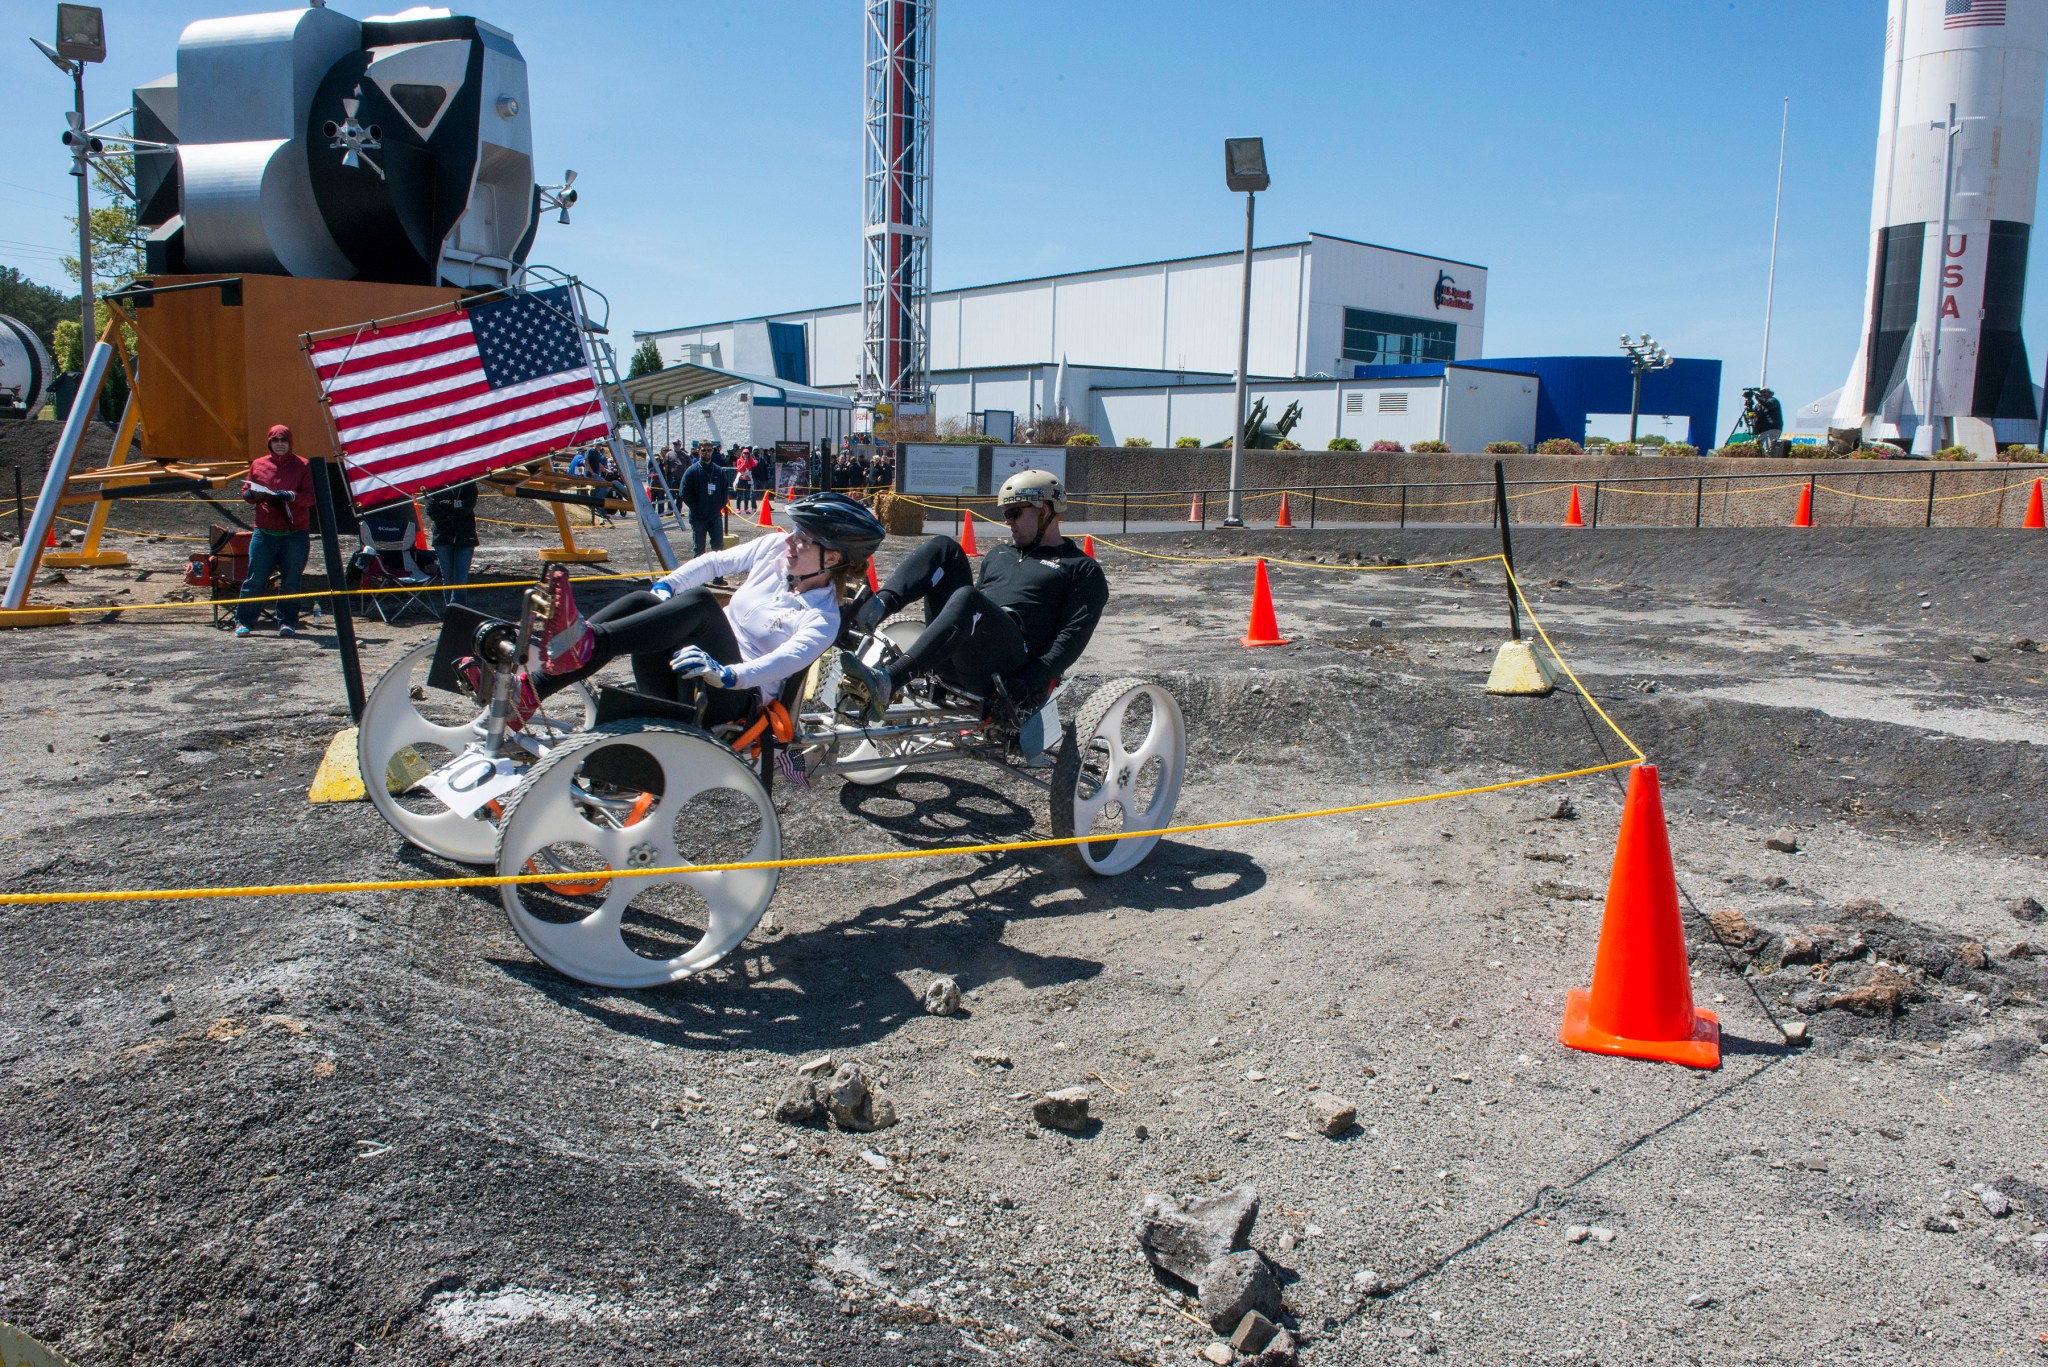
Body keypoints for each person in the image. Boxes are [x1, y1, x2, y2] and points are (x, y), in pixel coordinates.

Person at [458, 493, 887, 730]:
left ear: (833, 559)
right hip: (690, 674)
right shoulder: (778, 551)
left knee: (701, 605)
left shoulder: (823, 618)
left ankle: (582, 643)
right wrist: (665, 586)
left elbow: (781, 662)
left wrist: (727, 674)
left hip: (733, 701)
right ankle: (530, 690)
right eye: (795, 531)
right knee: (649, 602)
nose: (790, 541)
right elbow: (716, 562)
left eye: (804, 538)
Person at [838, 469, 1106, 722]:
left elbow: (1070, 640)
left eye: (1014, 513)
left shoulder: (1080, 569)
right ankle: (869, 614)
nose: (1007, 521)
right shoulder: (999, 555)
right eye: (1006, 513)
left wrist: (1028, 681)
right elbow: (964, 612)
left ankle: (888, 681)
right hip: (963, 657)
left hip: (1008, 670)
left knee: (969, 599)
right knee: (944, 548)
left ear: (1044, 511)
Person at [235, 424, 315, 638]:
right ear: (269, 442)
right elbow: (246, 491)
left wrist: (292, 496)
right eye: (275, 440)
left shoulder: (303, 465)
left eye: (284, 440)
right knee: (255, 579)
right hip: (265, 532)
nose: (280, 444)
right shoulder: (258, 464)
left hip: (295, 533)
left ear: (290, 443)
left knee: (291, 581)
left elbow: (311, 497)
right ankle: (244, 622)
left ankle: (287, 622)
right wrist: (252, 495)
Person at [425, 480, 479, 606]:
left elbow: (467, 507)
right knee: (448, 579)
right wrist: (454, 508)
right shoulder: (433, 482)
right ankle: (450, 611)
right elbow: (431, 509)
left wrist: (446, 506)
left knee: (460, 579)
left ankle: (458, 612)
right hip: (442, 538)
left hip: (465, 537)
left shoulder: (468, 483)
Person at [680, 443, 732, 556]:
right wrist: (696, 508)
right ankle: (699, 574)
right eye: (704, 450)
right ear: (699, 451)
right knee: (699, 550)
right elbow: (684, 493)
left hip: (715, 516)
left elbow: (724, 492)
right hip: (698, 517)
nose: (706, 452)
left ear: (712, 452)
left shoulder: (719, 471)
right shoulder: (692, 471)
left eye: (709, 450)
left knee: (718, 549)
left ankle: (718, 574)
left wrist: (719, 506)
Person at [1753, 388, 1786, 458]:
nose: (1762, 394)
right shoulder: (1758, 406)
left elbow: (1769, 404)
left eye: (1764, 392)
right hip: (1761, 431)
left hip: (1772, 429)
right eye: (1761, 393)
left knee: (1768, 450)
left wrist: (1758, 398)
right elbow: (1754, 416)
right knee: (1762, 451)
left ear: (1770, 393)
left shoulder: (1773, 400)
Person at [733, 447, 757, 512]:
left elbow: (754, 465)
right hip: (741, 478)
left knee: (747, 494)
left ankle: (746, 508)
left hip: (747, 479)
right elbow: (739, 469)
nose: (746, 455)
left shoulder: (750, 459)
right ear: (742, 454)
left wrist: (753, 459)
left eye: (747, 453)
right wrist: (744, 463)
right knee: (739, 494)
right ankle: (738, 508)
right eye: (744, 453)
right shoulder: (739, 460)